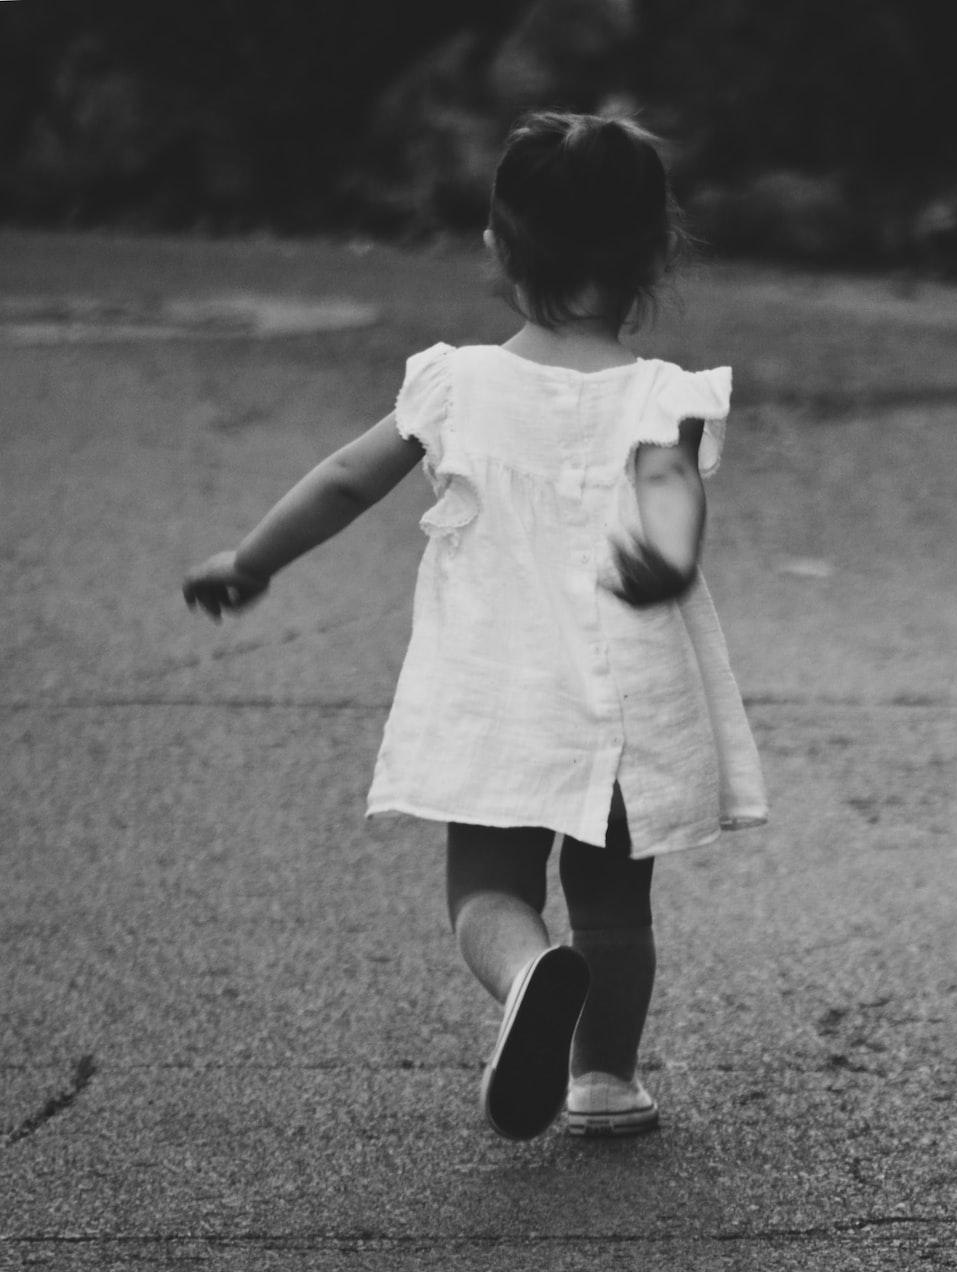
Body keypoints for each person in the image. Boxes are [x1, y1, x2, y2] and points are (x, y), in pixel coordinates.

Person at [183, 110, 767, 1141]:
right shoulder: (663, 399)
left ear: (500, 246)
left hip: (499, 694)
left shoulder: (456, 381)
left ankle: (528, 972)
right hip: (625, 703)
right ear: (654, 252)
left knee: (488, 892)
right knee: (617, 909)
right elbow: (666, 556)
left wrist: (251, 561)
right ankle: (604, 1081)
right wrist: (639, 555)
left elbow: (344, 479)